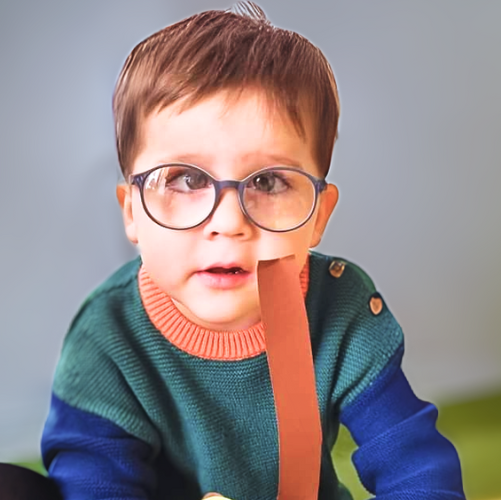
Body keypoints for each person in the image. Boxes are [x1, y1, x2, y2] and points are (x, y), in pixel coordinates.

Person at [40, 3, 466, 499]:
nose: (228, 222)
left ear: (319, 215)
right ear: (132, 211)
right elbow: (95, 486)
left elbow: (417, 469)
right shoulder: (107, 339)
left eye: (267, 182)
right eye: (185, 180)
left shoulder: (341, 310)